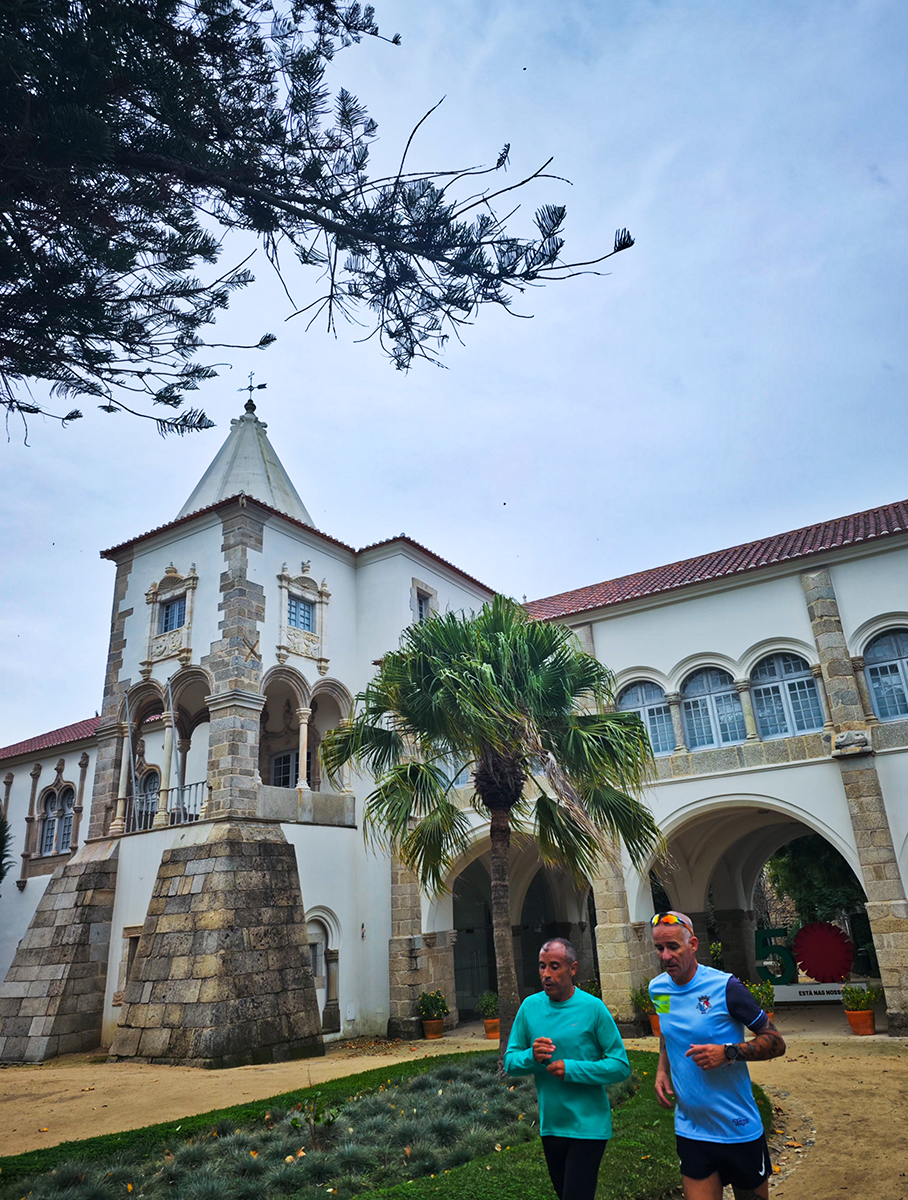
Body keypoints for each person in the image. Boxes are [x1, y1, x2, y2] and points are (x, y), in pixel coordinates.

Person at [649, 911, 787, 1200]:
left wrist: (728, 1052)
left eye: (673, 947)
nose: (665, 956)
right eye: (659, 948)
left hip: (738, 1128)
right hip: (692, 1129)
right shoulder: (658, 988)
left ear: (693, 944)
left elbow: (776, 1042)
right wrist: (662, 1069)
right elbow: (668, 1029)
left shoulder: (726, 987)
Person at [503, 937, 629, 1200]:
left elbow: (619, 1065)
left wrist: (572, 1070)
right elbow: (510, 1062)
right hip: (552, 1126)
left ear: (572, 969)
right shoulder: (529, 1007)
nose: (546, 974)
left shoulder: (593, 1008)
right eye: (542, 966)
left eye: (554, 966)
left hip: (589, 1125)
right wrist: (532, 1056)